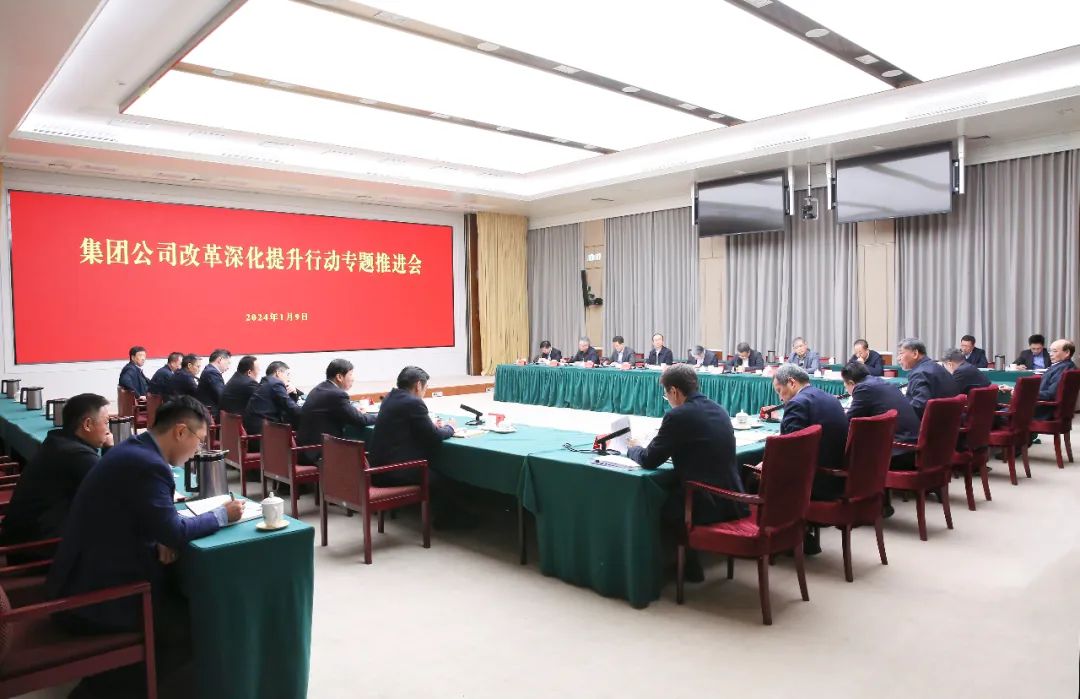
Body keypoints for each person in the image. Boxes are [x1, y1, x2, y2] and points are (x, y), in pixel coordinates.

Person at [45, 397, 244, 698]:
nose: (198, 450)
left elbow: (154, 521)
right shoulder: (149, 465)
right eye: (200, 440)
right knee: (200, 623)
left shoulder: (134, 449)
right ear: (180, 432)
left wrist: (162, 535)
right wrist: (222, 515)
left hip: (85, 576)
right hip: (96, 597)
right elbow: (174, 530)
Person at [627, 365, 747, 583]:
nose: (667, 399)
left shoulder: (678, 415)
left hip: (705, 502)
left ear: (674, 391)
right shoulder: (718, 409)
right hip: (733, 497)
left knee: (660, 504)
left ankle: (686, 564)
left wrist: (632, 448)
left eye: (666, 395)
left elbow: (649, 459)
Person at [0, 394, 113, 562]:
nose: (108, 430)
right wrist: (109, 449)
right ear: (87, 424)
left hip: (20, 538)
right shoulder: (77, 456)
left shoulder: (57, 441)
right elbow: (113, 491)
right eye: (106, 422)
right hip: (36, 549)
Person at [772, 364, 849, 499]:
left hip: (814, 483)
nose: (780, 398)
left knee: (754, 476)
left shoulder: (797, 403)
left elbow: (789, 451)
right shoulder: (831, 398)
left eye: (779, 391)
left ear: (791, 383)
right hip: (839, 476)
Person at [366, 366, 454, 483]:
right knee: (449, 483)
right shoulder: (414, 402)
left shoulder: (389, 397)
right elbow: (434, 436)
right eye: (426, 388)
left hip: (377, 469)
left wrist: (430, 425)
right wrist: (450, 427)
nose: (424, 392)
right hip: (395, 471)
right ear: (418, 385)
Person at [297, 358, 376, 465]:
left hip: (305, 450)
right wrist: (381, 415)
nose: (353, 379)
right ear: (339, 377)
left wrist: (353, 410)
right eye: (350, 374)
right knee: (366, 456)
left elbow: (338, 410)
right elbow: (360, 420)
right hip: (318, 453)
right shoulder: (337, 394)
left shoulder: (320, 388)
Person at [842, 361, 920, 453]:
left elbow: (848, 421)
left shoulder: (863, 388)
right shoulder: (879, 381)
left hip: (900, 448)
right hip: (911, 442)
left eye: (845, 386)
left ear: (851, 383)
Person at [1006, 339, 1077, 420]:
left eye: (1054, 351)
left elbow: (1051, 394)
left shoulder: (1063, 368)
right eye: (1050, 351)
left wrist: (1022, 393)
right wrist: (1016, 389)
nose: (1050, 354)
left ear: (1067, 353)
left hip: (1040, 411)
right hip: (1041, 408)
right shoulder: (1067, 366)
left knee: (996, 415)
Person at [896, 338, 954, 420]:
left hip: (931, 423)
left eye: (901, 353)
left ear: (915, 354)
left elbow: (918, 407)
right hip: (948, 421)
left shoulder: (920, 373)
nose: (898, 358)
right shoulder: (936, 367)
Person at [244, 360, 302, 435]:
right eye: (287, 374)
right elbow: (291, 408)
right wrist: (307, 412)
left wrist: (293, 394)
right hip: (266, 434)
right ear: (278, 373)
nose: (289, 378)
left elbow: (286, 406)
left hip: (256, 430)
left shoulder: (265, 382)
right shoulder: (275, 383)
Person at [196, 348, 231, 419]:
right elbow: (221, 395)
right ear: (220, 360)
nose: (228, 367)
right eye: (228, 363)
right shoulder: (212, 373)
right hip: (212, 415)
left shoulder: (209, 370)